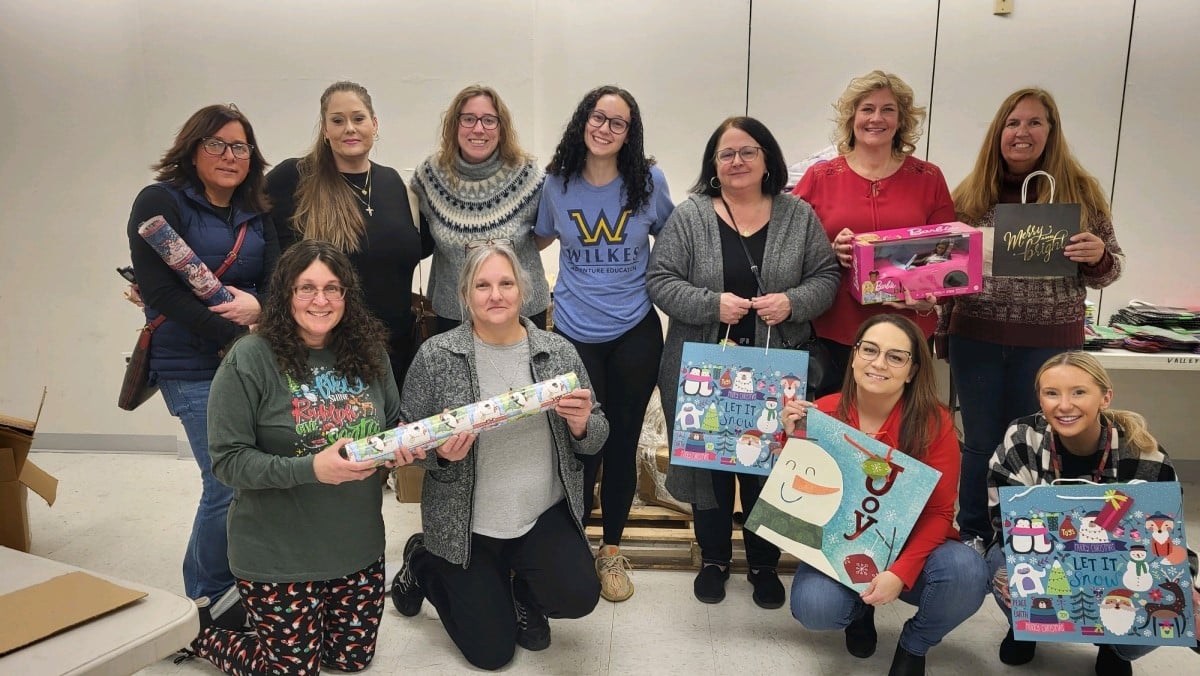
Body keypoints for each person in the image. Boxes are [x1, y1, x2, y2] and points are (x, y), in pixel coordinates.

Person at [190, 240, 412, 673]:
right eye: (306, 288)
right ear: (285, 294)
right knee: (291, 670)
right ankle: (201, 632)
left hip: (357, 549)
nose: (321, 300)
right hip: (278, 556)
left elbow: (387, 434)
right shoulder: (249, 359)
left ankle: (271, 626)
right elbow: (228, 461)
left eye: (333, 288)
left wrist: (401, 451)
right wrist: (311, 468)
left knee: (349, 662)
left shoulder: (371, 355)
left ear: (348, 295)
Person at [646, 116, 839, 609]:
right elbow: (660, 280)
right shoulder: (689, 217)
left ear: (767, 159)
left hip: (776, 369)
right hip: (702, 370)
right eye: (726, 153)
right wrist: (712, 304)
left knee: (768, 466)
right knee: (707, 467)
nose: (737, 161)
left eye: (747, 151)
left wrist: (793, 302)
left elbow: (827, 276)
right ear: (713, 163)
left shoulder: (797, 216)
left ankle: (763, 564)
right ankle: (713, 559)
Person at [389, 242, 607, 671]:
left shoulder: (557, 352)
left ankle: (522, 589)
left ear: (522, 289)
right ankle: (424, 561)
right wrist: (441, 456)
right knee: (492, 654)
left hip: (538, 516)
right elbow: (408, 436)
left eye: (506, 283)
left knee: (579, 595)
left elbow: (596, 436)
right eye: (482, 285)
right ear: (465, 294)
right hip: (467, 525)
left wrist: (583, 425)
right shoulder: (437, 356)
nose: (496, 295)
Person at [942, 88, 1126, 551]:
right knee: (981, 441)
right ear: (998, 132)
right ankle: (975, 532)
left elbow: (1110, 269)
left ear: (1051, 131)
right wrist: (942, 330)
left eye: (1034, 122)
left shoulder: (1080, 194)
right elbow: (945, 271)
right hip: (978, 337)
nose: (1022, 132)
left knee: (1040, 438)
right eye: (1012, 123)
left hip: (1051, 346)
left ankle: (1031, 532)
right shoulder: (969, 195)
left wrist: (1099, 255)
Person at [126, 103, 278, 621]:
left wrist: (261, 314)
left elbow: (277, 276)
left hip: (252, 358)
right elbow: (160, 292)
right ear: (193, 148)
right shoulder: (160, 201)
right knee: (226, 481)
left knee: (249, 477)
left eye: (240, 147)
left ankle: (230, 577)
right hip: (191, 365)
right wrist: (237, 329)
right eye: (216, 144)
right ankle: (207, 595)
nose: (229, 156)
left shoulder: (258, 207)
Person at [782, 315, 987, 676]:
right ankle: (859, 610)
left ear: (912, 371)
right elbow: (798, 498)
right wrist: (791, 440)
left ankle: (915, 644)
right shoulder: (824, 412)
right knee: (815, 608)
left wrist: (899, 573)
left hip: (913, 547)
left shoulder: (934, 423)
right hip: (843, 545)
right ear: (854, 356)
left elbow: (940, 512)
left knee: (967, 572)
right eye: (870, 350)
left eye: (895, 357)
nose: (878, 363)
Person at [533, 85, 675, 602]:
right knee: (578, 442)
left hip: (635, 331)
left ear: (629, 133)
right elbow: (538, 237)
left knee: (620, 439)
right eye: (599, 117)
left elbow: (677, 235)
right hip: (573, 333)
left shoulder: (648, 181)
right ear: (583, 121)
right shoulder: (556, 184)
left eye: (619, 123)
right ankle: (572, 540)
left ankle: (611, 550)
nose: (606, 128)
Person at [984, 351, 1199, 675]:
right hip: (1041, 553)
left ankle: (1115, 648)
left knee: (1164, 604)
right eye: (1051, 393)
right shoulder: (1023, 438)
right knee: (1002, 567)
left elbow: (1167, 537)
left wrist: (1184, 583)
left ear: (1105, 397)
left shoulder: (1143, 454)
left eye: (1079, 392)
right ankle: (1026, 624)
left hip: (1119, 563)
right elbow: (1004, 520)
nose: (1064, 405)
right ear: (1040, 399)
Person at [793, 71, 956, 397]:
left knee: (899, 433)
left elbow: (948, 253)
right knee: (833, 429)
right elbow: (786, 246)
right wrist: (829, 250)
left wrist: (929, 299)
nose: (876, 118)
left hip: (906, 331)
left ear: (902, 120)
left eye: (888, 110)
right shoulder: (819, 177)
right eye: (867, 109)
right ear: (852, 117)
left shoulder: (929, 178)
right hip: (835, 333)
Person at [266, 81, 429, 390]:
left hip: (397, 353)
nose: (349, 128)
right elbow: (238, 221)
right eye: (337, 121)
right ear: (325, 130)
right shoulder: (296, 177)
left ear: (374, 123)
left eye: (358, 118)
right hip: (327, 355)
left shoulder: (392, 182)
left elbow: (418, 247)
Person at [411, 84, 549, 333]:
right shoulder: (429, 177)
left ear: (501, 127)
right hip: (455, 316)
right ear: (454, 125)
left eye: (489, 120)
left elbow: (546, 232)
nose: (478, 128)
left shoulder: (527, 174)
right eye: (468, 119)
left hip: (521, 314)